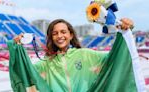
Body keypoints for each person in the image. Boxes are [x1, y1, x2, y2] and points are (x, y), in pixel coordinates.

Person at [12, 18, 142, 92]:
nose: (60, 36)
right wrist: (16, 48)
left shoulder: (85, 54)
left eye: (63, 32)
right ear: (51, 37)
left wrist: (125, 31)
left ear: (71, 35)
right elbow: (26, 73)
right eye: (55, 33)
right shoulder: (46, 63)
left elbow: (114, 62)